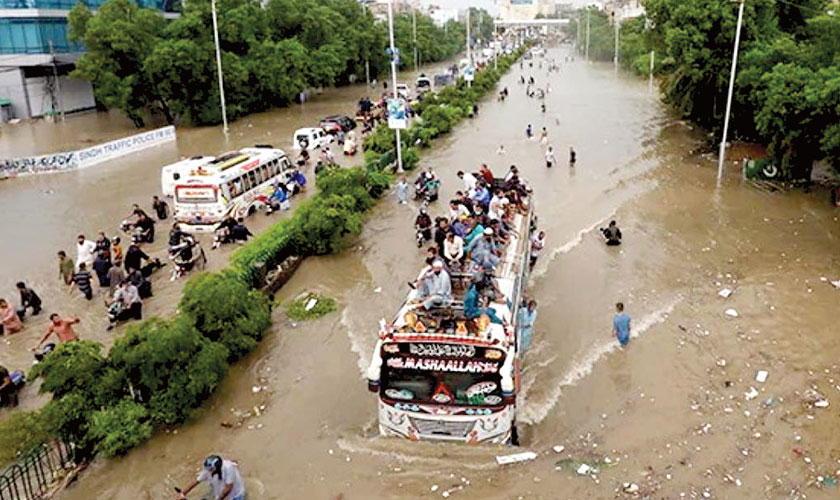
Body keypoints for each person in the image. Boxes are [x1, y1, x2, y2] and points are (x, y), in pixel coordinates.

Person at [174, 455, 246, 500]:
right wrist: (183, 494)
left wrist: (219, 499)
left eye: (210, 469)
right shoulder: (208, 470)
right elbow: (196, 481)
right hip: (219, 490)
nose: (208, 471)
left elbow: (228, 488)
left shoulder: (229, 468)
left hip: (235, 495)